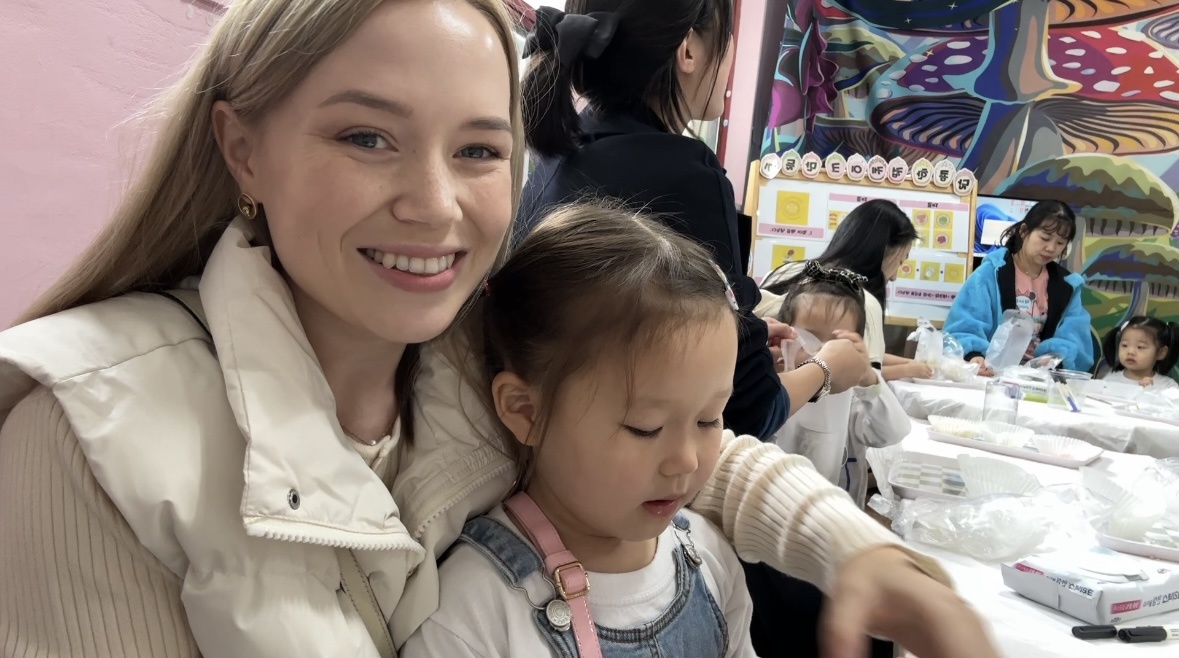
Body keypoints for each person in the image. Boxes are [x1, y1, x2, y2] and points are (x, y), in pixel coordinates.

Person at [0, 1, 1002, 657]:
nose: (435, 205)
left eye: (478, 151)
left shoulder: (474, 351)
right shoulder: (88, 437)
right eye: (367, 136)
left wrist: (860, 553)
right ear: (242, 148)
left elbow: (689, 445)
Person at [404, 204, 756, 657]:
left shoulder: (710, 558)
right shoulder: (473, 611)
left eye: (709, 419)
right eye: (645, 428)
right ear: (527, 411)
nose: (686, 460)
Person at [514, 1, 867, 440]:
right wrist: (827, 369)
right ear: (688, 49)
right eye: (729, 36)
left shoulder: (561, 152)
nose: (731, 53)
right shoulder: (686, 174)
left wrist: (734, 336)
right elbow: (747, 410)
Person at [770, 261, 910, 508]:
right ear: (784, 338)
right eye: (809, 339)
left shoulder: (854, 398)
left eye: (837, 344)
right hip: (775, 509)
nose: (824, 355)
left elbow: (893, 432)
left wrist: (869, 379)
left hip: (836, 515)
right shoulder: (775, 389)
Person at [760, 199, 929, 382]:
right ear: (882, 251)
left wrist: (909, 363)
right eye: (900, 261)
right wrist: (907, 369)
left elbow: (835, 349)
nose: (894, 276)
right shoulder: (862, 301)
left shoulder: (782, 272)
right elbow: (863, 378)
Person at [944, 200, 1093, 376]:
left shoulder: (1068, 285)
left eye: (1060, 243)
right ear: (1023, 231)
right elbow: (964, 325)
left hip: (1040, 378)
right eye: (1045, 238)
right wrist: (974, 355)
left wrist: (1055, 359)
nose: (1051, 248)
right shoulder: (991, 273)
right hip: (990, 374)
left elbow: (1075, 336)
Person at [1100, 316, 1179, 392]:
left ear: (1161, 353)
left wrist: (1148, 391)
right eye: (1124, 345)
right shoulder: (1110, 381)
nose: (1130, 351)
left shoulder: (1168, 386)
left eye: (1140, 347)